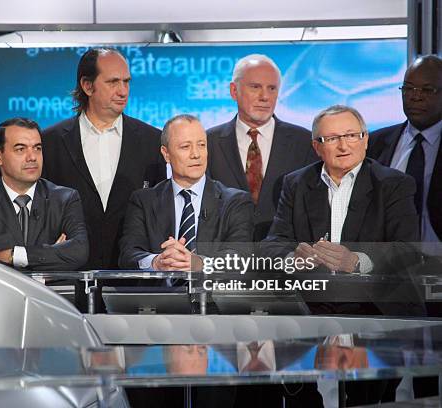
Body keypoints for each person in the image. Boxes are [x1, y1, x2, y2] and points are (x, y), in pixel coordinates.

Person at [42, 48, 166, 271]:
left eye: (127, 82)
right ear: (87, 86)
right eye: (113, 82)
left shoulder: (153, 141)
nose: (123, 91)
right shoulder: (50, 142)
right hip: (70, 279)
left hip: (132, 280)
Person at [262, 105, 419, 275]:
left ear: (365, 140)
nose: (343, 146)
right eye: (332, 139)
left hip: (370, 297)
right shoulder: (296, 183)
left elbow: (406, 248)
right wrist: (293, 259)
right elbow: (273, 244)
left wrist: (357, 261)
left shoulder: (393, 184)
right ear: (317, 147)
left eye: (351, 136)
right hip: (313, 295)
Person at [119, 114, 253, 271]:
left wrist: (198, 263)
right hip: (161, 294)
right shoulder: (144, 201)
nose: (196, 154)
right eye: (185, 147)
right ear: (166, 154)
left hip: (213, 294)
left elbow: (240, 256)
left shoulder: (235, 202)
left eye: (201, 145)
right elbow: (128, 255)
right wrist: (157, 261)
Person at [207, 54, 317, 241]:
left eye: (272, 88)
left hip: (285, 259)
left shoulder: (305, 142)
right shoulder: (208, 142)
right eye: (255, 87)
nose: (264, 97)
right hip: (225, 258)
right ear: (234, 91)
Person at [0, 118, 88, 271]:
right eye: (21, 149)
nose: (32, 157)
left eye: (37, 148)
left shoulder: (65, 199)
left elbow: (79, 252)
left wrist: (15, 255)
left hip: (55, 294)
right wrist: (53, 254)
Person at [368, 54, 442, 242]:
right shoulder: (374, 143)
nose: (416, 97)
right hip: (386, 261)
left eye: (428, 90)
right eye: (408, 89)